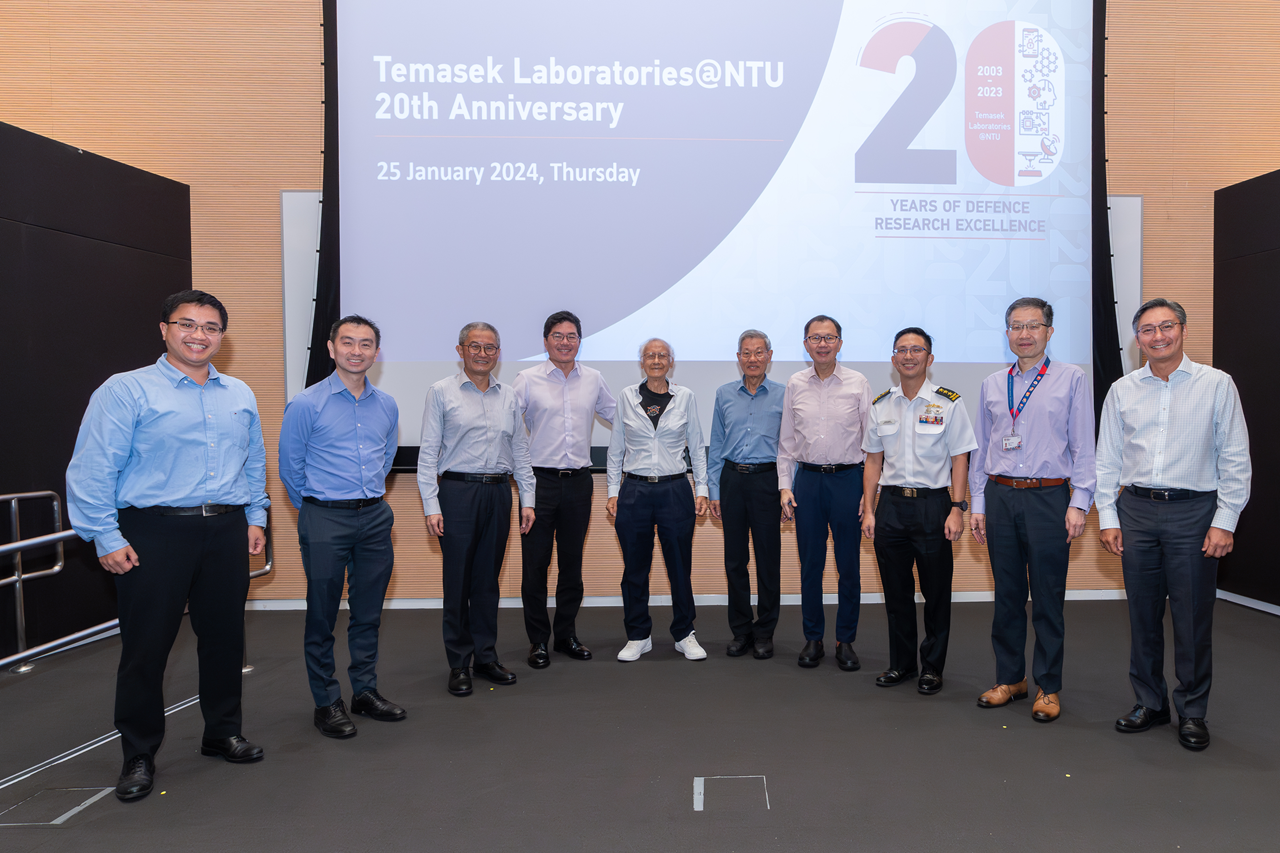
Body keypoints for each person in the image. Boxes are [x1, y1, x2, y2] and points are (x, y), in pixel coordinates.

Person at [66, 290, 269, 802]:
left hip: (226, 528)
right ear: (164, 329)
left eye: (211, 327)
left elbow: (253, 460)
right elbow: (93, 466)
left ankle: (222, 732)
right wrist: (105, 535)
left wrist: (255, 516)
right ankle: (138, 752)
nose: (199, 335)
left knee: (224, 639)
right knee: (147, 647)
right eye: (187, 324)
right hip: (153, 531)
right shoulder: (126, 389)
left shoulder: (239, 392)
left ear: (222, 336)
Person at [1097, 298, 1251, 751]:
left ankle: (1192, 711)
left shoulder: (1217, 384)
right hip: (1136, 512)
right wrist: (1108, 517)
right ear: (1137, 339)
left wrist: (1225, 520)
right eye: (1148, 330)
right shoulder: (1122, 390)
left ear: (1182, 330)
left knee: (1192, 617)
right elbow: (1107, 460)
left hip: (1195, 512)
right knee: (1142, 615)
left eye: (1166, 326)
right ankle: (1150, 703)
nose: (1158, 336)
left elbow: (1235, 457)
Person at [968, 297, 1095, 723]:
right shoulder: (992, 383)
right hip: (1000, 495)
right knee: (1006, 596)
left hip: (1049, 498)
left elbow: (1084, 446)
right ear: (1007, 333)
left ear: (1049, 332)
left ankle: (1048, 686)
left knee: (1046, 598)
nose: (1024, 334)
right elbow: (982, 448)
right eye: (1016, 326)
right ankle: (1010, 679)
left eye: (1033, 325)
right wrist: (978, 503)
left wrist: (1080, 502)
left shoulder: (1072, 378)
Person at [279, 314, 403, 739]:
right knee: (323, 614)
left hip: (375, 517)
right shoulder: (306, 403)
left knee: (368, 613)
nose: (356, 350)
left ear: (376, 353)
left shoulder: (387, 405)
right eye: (347, 342)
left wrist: (366, 501)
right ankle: (326, 701)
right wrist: (317, 510)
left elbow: (386, 459)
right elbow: (290, 468)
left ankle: (364, 691)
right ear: (331, 348)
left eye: (366, 344)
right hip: (324, 517)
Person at [418, 322, 536, 697]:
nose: (482, 354)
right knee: (458, 582)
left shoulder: (509, 396)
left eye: (490, 348)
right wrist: (430, 504)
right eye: (475, 346)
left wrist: (528, 499)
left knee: (487, 582)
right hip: (457, 493)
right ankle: (459, 663)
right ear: (460, 350)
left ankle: (486, 657)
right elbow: (427, 454)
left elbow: (520, 451)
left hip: (499, 493)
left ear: (498, 353)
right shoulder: (441, 392)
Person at [861, 328, 977, 694]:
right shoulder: (881, 404)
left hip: (933, 506)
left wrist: (957, 507)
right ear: (893, 359)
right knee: (896, 593)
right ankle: (901, 664)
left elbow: (960, 459)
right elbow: (872, 461)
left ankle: (932, 668)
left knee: (936, 593)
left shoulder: (949, 403)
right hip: (891, 506)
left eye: (917, 350)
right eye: (902, 350)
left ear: (930, 358)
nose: (909, 356)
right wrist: (869, 509)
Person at [513, 311, 616, 668]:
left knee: (572, 565)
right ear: (545, 342)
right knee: (536, 566)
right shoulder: (527, 379)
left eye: (571, 336)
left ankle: (566, 635)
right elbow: (507, 425)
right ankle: (537, 641)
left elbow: (620, 417)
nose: (565, 342)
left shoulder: (594, 379)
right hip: (538, 483)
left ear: (580, 341)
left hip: (579, 483)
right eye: (557, 336)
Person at [607, 338, 709, 662]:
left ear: (671, 362)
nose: (656, 360)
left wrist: (702, 488)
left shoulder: (685, 397)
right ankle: (638, 635)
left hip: (675, 490)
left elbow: (697, 445)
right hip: (634, 491)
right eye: (649, 355)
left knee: (679, 567)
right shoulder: (626, 397)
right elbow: (615, 448)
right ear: (642, 362)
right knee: (635, 569)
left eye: (662, 355)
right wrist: (612, 491)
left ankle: (684, 633)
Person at [778, 315, 872, 670]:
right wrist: (785, 487)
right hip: (808, 482)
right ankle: (813, 638)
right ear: (806, 344)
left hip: (848, 481)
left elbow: (872, 445)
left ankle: (845, 640)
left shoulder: (858, 383)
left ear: (840, 343)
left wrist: (868, 493)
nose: (822, 344)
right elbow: (786, 444)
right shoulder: (795, 384)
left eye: (829, 338)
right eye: (815, 338)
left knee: (848, 566)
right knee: (811, 566)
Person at [708, 329, 784, 659]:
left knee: (768, 560)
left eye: (759, 352)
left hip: (768, 481)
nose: (753, 359)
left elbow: (791, 448)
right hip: (732, 481)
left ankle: (765, 631)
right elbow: (716, 443)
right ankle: (741, 630)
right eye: (746, 353)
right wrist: (714, 489)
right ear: (738, 358)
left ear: (769, 356)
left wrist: (787, 489)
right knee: (735, 561)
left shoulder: (784, 395)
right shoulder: (724, 394)